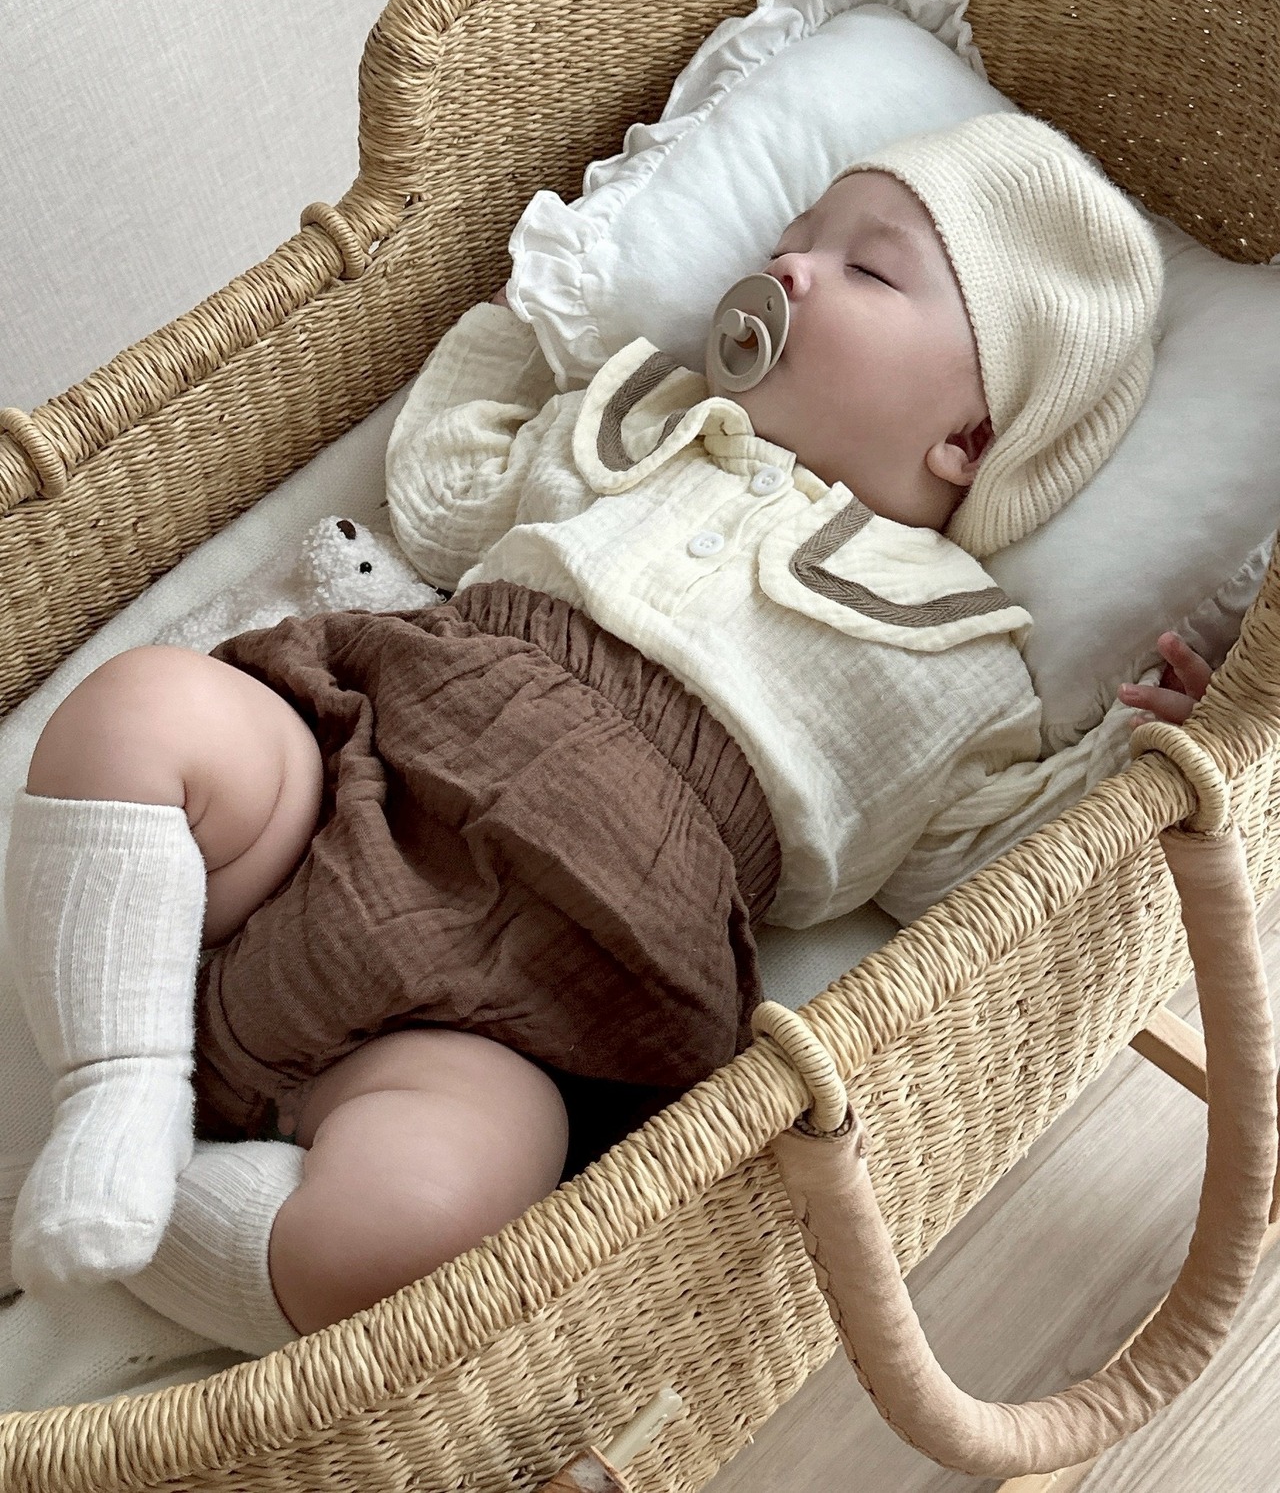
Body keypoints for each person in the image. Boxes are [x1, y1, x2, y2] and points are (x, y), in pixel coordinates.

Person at [0, 112, 1211, 1351]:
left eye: (865, 267)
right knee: (142, 708)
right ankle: (118, 1089)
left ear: (971, 439)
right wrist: (517, 324)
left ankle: (141, 1222)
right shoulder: (634, 418)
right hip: (356, 778)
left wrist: (1149, 751)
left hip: (532, 1001)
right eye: (792, 237)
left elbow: (992, 867)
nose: (787, 266)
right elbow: (444, 496)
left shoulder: (958, 654)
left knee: (421, 1232)